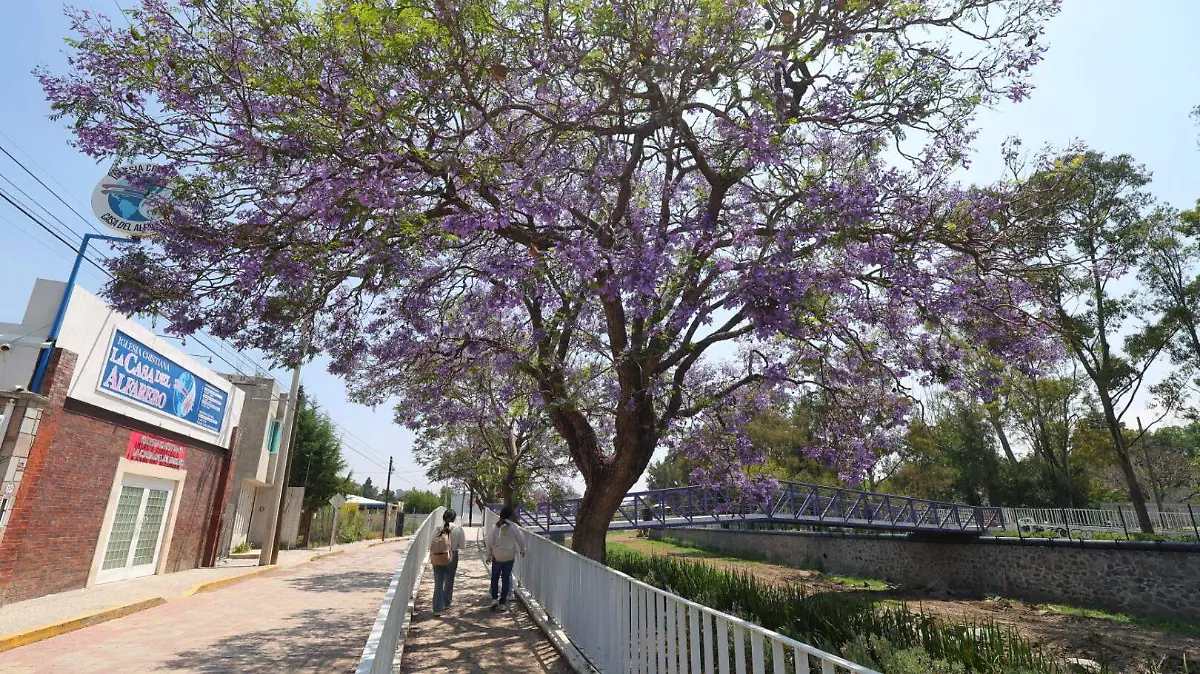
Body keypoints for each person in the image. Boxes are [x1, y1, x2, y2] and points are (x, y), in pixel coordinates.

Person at [485, 506, 527, 610]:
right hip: (510, 556)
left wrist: (488, 555)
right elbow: (520, 539)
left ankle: (494, 599)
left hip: (497, 556)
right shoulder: (514, 527)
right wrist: (522, 549)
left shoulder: (496, 527)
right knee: (506, 578)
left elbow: (490, 541)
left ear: (501, 515)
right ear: (510, 515)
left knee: (494, 577)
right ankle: (503, 603)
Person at [430, 509, 465, 615]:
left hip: (437, 557)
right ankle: (446, 603)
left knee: (438, 583)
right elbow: (463, 545)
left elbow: (430, 544)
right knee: (449, 581)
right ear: (455, 518)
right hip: (452, 556)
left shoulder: (437, 529)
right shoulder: (458, 529)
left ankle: (437, 609)